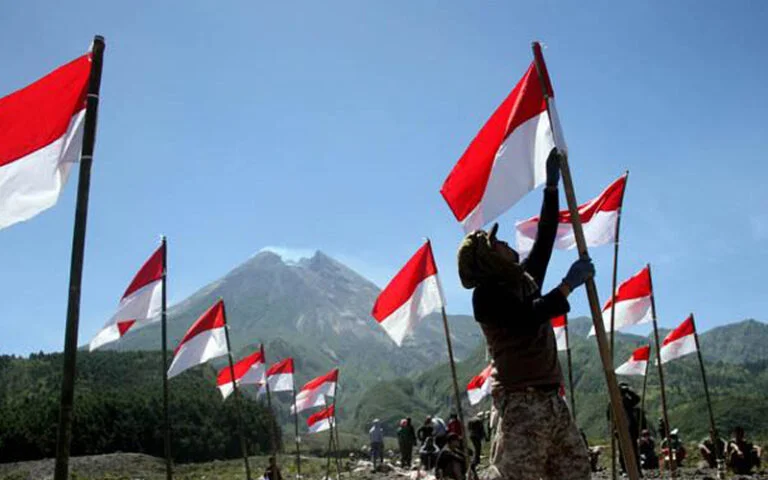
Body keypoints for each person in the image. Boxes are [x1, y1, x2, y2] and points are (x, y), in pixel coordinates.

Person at [457, 150, 594, 480]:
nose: (505, 242)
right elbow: (526, 318)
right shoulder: (486, 297)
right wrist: (567, 286)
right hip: (521, 404)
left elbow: (545, 238)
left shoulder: (524, 280)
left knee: (576, 472)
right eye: (496, 243)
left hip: (551, 400)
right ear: (488, 260)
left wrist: (551, 188)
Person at [606, 382, 642, 474]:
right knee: (623, 450)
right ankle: (625, 469)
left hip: (631, 429)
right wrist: (614, 429)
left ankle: (636, 469)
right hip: (620, 429)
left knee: (633, 450)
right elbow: (609, 417)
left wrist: (629, 391)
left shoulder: (627, 401)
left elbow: (637, 399)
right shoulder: (613, 403)